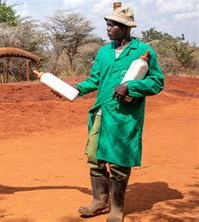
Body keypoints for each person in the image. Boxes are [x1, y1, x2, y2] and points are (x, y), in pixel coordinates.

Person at [37, 6, 164, 222]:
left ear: (125, 28)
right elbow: (94, 79)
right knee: (94, 157)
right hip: (101, 112)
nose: (108, 28)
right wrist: (74, 89)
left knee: (118, 161)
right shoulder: (104, 52)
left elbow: (157, 81)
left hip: (125, 116)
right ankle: (99, 200)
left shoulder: (143, 51)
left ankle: (116, 208)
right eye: (107, 24)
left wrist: (131, 87)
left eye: (113, 25)